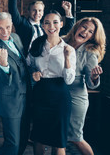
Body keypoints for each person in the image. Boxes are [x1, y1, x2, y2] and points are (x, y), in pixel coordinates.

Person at [27, 10, 76, 155]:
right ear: (42, 25)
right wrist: (33, 73)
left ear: (61, 24)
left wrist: (67, 58)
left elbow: (69, 80)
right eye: (47, 22)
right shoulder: (37, 45)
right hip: (41, 92)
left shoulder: (69, 49)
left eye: (55, 22)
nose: (51, 26)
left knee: (58, 140)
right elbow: (28, 65)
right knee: (39, 137)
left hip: (60, 95)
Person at [0, 12, 30, 155]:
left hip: (26, 97)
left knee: (23, 139)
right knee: (13, 143)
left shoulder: (16, 38)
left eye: (8, 27)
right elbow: (3, 81)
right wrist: (3, 64)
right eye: (0, 28)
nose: (5, 32)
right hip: (10, 100)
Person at [63, 17, 106, 155]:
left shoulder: (90, 52)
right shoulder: (61, 41)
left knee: (76, 137)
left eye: (90, 31)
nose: (85, 32)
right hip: (57, 95)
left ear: (93, 36)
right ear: (77, 26)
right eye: (84, 27)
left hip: (75, 98)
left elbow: (90, 84)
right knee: (59, 136)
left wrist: (94, 77)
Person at [9, 0, 75, 54]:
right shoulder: (22, 23)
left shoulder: (46, 27)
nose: (37, 13)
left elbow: (67, 29)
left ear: (43, 12)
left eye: (40, 10)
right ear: (28, 11)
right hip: (27, 60)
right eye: (34, 10)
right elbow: (13, 9)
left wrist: (68, 11)